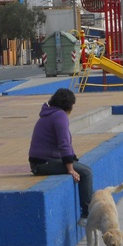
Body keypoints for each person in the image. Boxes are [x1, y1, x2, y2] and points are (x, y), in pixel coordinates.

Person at [28, 88, 93, 223]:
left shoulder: (50, 114)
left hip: (42, 162)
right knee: (86, 172)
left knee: (81, 167)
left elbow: (66, 143)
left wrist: (73, 160)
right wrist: (70, 169)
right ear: (68, 105)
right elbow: (64, 143)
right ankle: (87, 215)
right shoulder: (59, 116)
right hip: (42, 164)